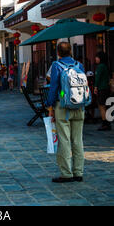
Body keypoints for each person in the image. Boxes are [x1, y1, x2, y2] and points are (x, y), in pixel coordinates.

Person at [46, 42, 86, 183]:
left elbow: (54, 87)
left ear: (58, 53)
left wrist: (50, 106)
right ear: (71, 51)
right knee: (78, 140)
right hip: (79, 106)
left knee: (64, 140)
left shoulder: (57, 65)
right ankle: (78, 172)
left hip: (63, 106)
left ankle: (66, 173)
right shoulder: (79, 65)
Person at [94, 51, 111, 131]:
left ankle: (105, 123)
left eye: (97, 57)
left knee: (101, 106)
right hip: (106, 88)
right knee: (105, 106)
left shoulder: (100, 66)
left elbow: (97, 78)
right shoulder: (106, 66)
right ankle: (107, 122)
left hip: (101, 88)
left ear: (100, 58)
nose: (95, 59)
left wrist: (95, 87)